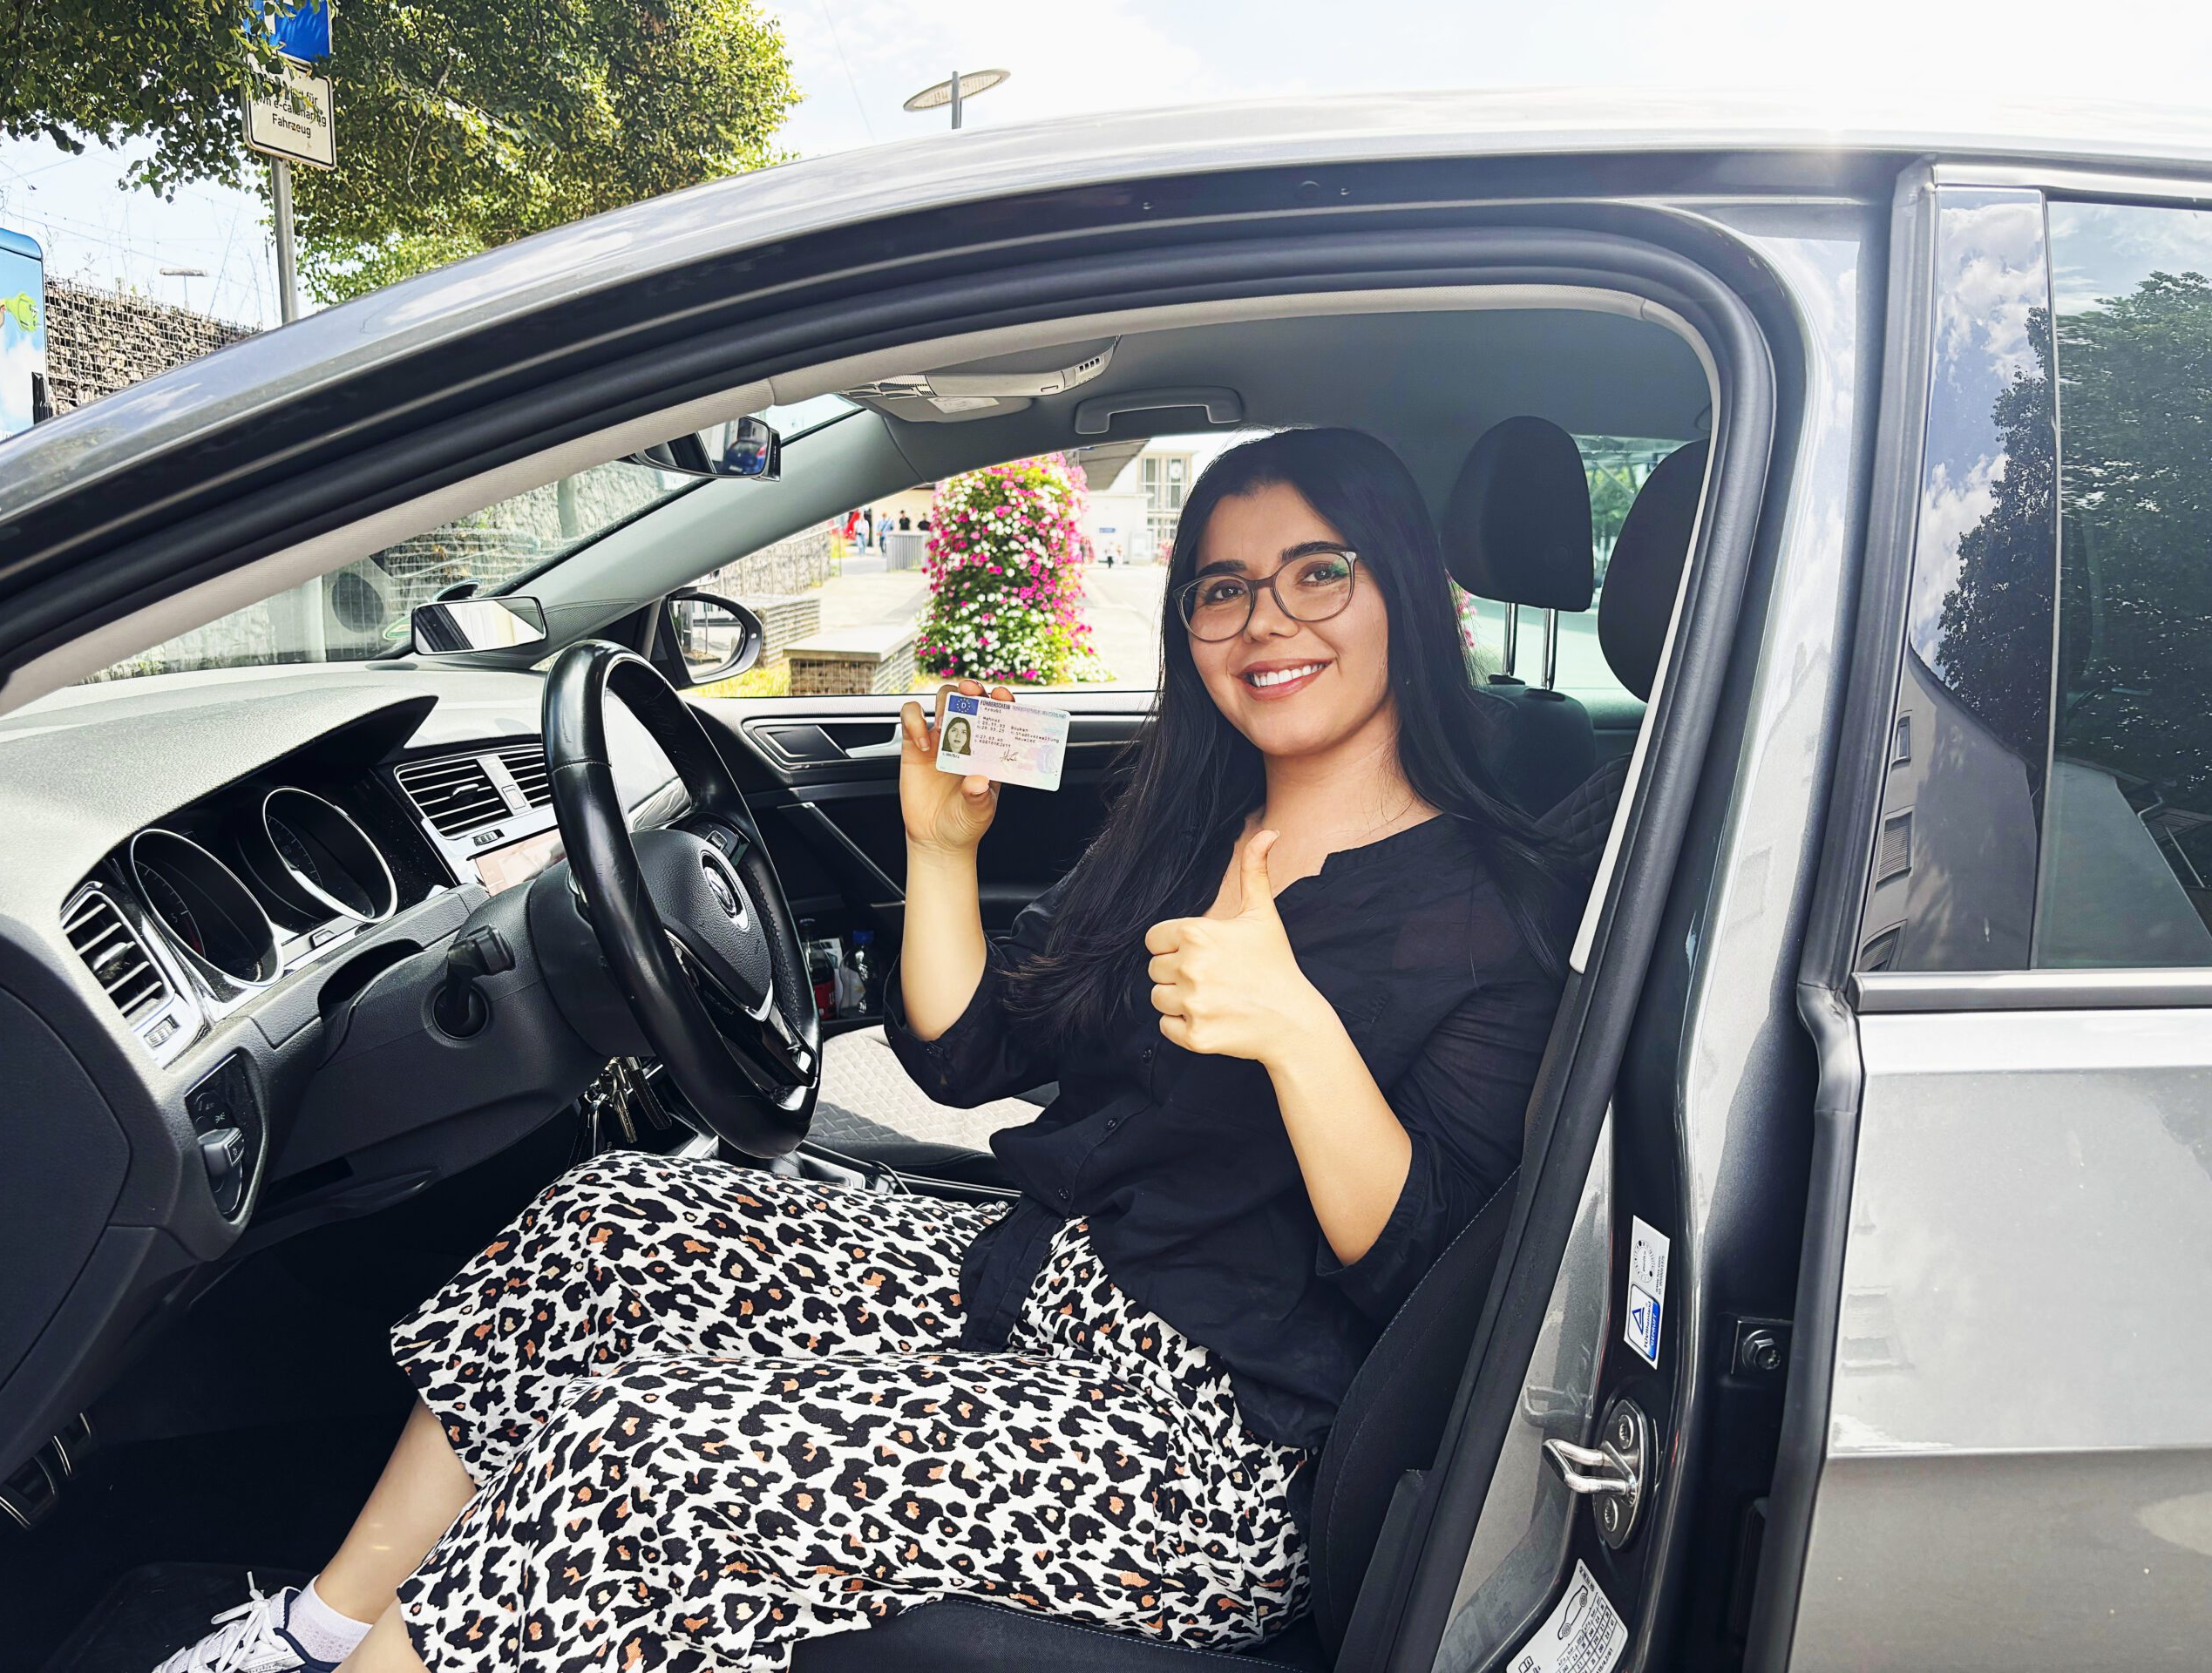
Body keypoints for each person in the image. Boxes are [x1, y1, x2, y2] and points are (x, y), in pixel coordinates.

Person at [152, 428, 1578, 1673]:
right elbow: (967, 1055)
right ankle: (318, 1631)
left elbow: (1433, 1272)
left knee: (640, 1450)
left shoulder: (1486, 913)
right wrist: (940, 849)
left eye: (1319, 573)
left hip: (1214, 1446)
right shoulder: (1188, 830)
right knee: (609, 1229)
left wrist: (1297, 1033)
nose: (1267, 621)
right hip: (1047, 1278)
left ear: (1404, 588)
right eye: (1222, 588)